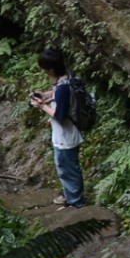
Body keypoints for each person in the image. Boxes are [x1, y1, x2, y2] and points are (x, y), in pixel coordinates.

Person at [30, 49, 85, 209]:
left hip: (66, 137)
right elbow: (59, 93)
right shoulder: (67, 77)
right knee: (66, 168)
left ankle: (76, 203)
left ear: (52, 69)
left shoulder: (62, 87)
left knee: (68, 170)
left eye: (45, 69)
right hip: (66, 134)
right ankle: (70, 196)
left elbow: (59, 115)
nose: (45, 72)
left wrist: (41, 105)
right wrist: (44, 94)